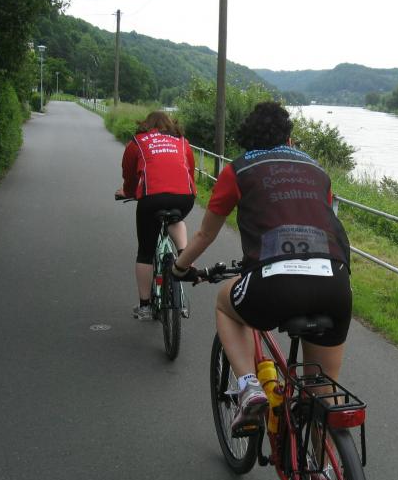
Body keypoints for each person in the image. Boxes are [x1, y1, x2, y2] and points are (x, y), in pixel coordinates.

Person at [172, 101, 352, 433]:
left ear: (248, 141)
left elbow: (205, 234)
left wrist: (180, 268)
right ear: (289, 139)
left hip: (275, 282)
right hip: (335, 280)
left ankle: (248, 388)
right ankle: (323, 463)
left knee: (225, 304)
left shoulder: (238, 170)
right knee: (323, 395)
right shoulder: (317, 170)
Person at [116, 110, 197, 320]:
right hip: (184, 197)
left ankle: (145, 307)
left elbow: (128, 175)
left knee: (145, 252)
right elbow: (190, 171)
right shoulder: (182, 142)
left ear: (146, 124)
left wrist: (129, 191)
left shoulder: (137, 142)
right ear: (170, 124)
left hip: (151, 198)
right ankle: (184, 255)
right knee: (176, 218)